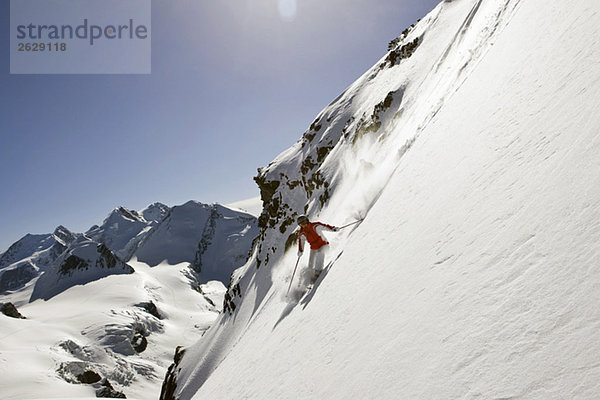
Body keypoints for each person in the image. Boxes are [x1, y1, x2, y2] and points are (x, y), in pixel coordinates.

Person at [297, 215, 339, 284]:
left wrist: (333, 228)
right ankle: (309, 280)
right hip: (313, 248)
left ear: (307, 221)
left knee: (320, 254)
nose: (303, 225)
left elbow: (325, 227)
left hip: (323, 244)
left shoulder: (315, 226)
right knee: (310, 264)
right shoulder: (302, 233)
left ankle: (318, 272)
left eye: (304, 222)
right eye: (301, 224)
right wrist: (300, 250)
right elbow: (301, 242)